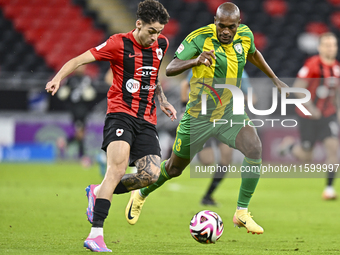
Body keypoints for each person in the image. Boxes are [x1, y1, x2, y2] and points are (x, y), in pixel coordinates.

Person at [125, 2, 289, 235]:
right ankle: (141, 193)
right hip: (198, 116)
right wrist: (195, 60)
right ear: (215, 21)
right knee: (173, 169)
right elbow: (170, 68)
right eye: (221, 25)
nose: (225, 31)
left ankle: (241, 212)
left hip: (230, 111)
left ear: (238, 25)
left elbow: (253, 53)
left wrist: (274, 78)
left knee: (254, 148)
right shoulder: (199, 38)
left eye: (231, 27)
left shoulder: (245, 35)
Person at [45, 0, 176, 252]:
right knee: (115, 170)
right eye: (151, 31)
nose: (155, 37)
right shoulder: (118, 43)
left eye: (159, 31)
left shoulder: (161, 45)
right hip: (120, 115)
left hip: (147, 120)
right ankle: (95, 234)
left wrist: (162, 99)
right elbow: (80, 59)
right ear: (139, 24)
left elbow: (152, 76)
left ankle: (98, 192)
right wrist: (57, 78)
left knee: (151, 174)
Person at [180, 69, 256, 206]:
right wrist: (183, 108)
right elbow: (185, 84)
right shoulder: (204, 67)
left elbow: (252, 97)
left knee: (226, 157)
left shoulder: (240, 73)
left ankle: (208, 196)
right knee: (207, 160)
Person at [279, 32, 340, 200]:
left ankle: (329, 189)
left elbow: (336, 93)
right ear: (320, 47)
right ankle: (290, 146)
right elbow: (298, 88)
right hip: (308, 116)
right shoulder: (312, 65)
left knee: (333, 148)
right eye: (327, 45)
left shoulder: (336, 67)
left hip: (328, 115)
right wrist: (311, 108)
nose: (331, 48)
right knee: (306, 156)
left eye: (333, 45)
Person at [56, 64, 95, 165]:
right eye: (79, 67)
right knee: (80, 134)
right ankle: (82, 157)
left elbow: (92, 94)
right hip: (76, 111)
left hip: (84, 110)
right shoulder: (70, 80)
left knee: (81, 133)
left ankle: (65, 142)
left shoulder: (87, 79)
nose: (81, 68)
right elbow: (63, 94)